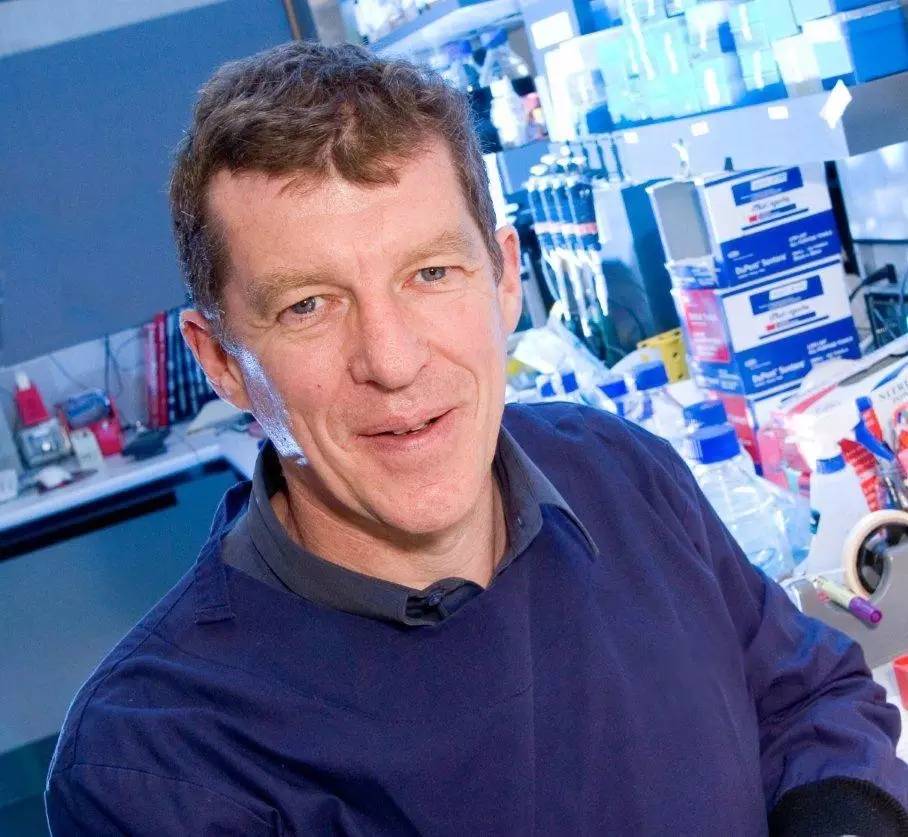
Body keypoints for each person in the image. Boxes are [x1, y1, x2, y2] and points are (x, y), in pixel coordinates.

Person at [46, 41, 908, 835]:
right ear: (222, 362)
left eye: (430, 273)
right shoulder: (155, 766)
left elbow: (807, 700)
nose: (392, 360)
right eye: (309, 304)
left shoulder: (619, 470)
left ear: (504, 278)